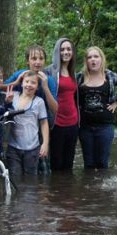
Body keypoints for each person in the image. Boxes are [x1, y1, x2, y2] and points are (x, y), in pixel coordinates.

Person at [76, 46, 117, 169]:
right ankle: (89, 187)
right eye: (89, 57)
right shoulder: (79, 77)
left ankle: (102, 188)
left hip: (105, 126)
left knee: (102, 163)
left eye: (96, 56)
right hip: (85, 127)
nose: (93, 60)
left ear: (101, 59)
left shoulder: (109, 76)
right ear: (86, 61)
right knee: (88, 163)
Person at [5, 71, 49, 176]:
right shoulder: (13, 96)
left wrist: (45, 144)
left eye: (33, 83)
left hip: (32, 148)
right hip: (13, 147)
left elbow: (44, 123)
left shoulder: (39, 102)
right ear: (22, 84)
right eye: (27, 82)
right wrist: (7, 102)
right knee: (15, 178)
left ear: (37, 87)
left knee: (30, 180)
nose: (29, 85)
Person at [45, 37, 79, 171]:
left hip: (73, 124)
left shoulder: (74, 73)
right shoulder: (49, 71)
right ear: (57, 52)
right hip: (56, 124)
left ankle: (67, 191)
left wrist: (116, 102)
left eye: (69, 49)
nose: (66, 52)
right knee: (56, 163)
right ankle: (56, 192)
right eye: (62, 49)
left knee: (69, 163)